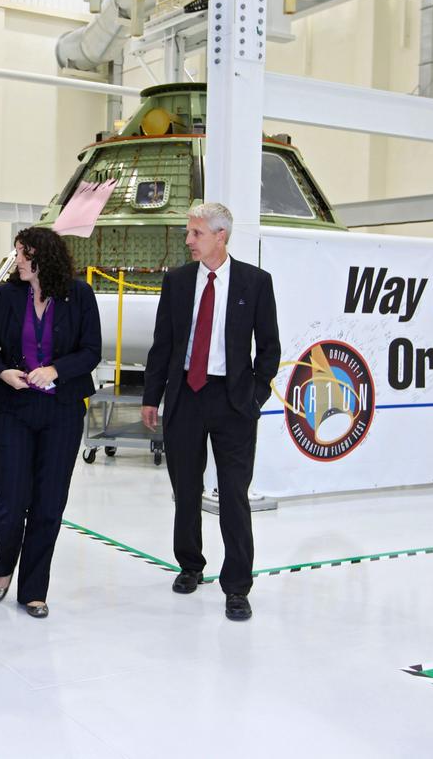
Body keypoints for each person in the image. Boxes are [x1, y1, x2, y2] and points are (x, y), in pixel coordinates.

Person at [141, 202, 281, 622]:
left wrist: (253, 399)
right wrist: (153, 396)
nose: (189, 240)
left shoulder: (255, 283)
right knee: (185, 489)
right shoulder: (179, 282)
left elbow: (270, 348)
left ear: (221, 236)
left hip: (233, 401)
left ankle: (237, 586)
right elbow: (162, 343)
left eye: (196, 233)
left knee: (234, 495)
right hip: (185, 396)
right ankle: (190, 564)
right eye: (189, 232)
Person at [0, 227, 101, 618]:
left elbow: (91, 350)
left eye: (23, 253)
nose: (17, 260)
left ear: (42, 256)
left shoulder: (79, 294)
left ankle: (33, 589)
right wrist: (3, 373)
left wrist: (56, 370)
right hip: (14, 409)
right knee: (10, 502)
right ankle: (3, 564)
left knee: (48, 505)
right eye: (16, 252)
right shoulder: (7, 294)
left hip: (61, 412)